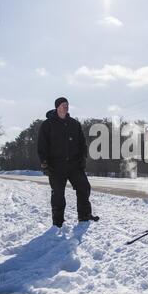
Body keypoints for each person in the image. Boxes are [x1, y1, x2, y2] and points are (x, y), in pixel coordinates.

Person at [38, 97, 99, 228]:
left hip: (74, 165)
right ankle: (58, 221)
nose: (65, 107)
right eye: (63, 105)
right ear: (57, 107)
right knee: (58, 193)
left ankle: (84, 215)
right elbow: (42, 146)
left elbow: (82, 143)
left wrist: (82, 158)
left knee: (84, 187)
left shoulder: (74, 124)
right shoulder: (47, 125)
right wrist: (44, 163)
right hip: (56, 166)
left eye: (67, 105)